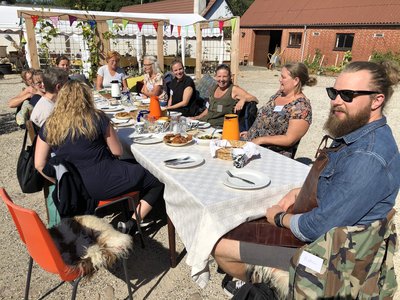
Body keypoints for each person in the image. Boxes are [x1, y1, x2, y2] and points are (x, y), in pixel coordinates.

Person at [213, 61, 400, 297]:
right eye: (334, 93)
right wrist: (297, 192)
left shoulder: (368, 156)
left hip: (328, 255)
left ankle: (271, 289)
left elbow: (316, 227)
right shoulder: (356, 132)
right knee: (236, 222)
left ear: (377, 100)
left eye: (348, 95)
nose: (336, 101)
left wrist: (280, 218)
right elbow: (336, 187)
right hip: (326, 232)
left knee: (220, 246)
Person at [34, 80, 164, 233]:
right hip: (103, 181)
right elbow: (117, 152)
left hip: (76, 189)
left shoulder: (50, 124)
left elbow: (39, 165)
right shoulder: (97, 117)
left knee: (132, 168)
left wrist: (64, 182)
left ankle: (131, 211)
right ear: (87, 98)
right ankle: (132, 223)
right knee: (157, 180)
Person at [241, 63, 316, 158]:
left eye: (283, 77)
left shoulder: (301, 107)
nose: (280, 79)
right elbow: (265, 117)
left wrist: (261, 140)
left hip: (270, 155)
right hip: (252, 146)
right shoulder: (279, 94)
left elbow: (290, 139)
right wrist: (251, 132)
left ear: (296, 80)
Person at [192, 64, 258, 128]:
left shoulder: (234, 90)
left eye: (224, 76)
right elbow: (208, 108)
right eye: (219, 76)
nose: (221, 79)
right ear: (215, 77)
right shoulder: (214, 88)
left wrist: (243, 100)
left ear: (230, 77)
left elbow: (254, 98)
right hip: (204, 123)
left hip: (219, 127)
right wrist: (197, 117)